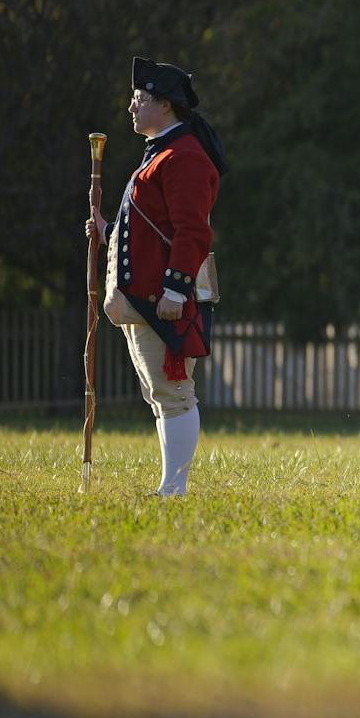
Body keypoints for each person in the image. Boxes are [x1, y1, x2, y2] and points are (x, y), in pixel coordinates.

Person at [85, 57, 227, 497]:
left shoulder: (183, 156)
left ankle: (174, 488)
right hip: (146, 295)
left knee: (174, 393)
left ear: (164, 106)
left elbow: (192, 231)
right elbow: (150, 228)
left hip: (164, 298)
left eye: (140, 99)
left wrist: (174, 289)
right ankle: (170, 485)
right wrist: (109, 231)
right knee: (159, 394)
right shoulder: (163, 152)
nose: (132, 106)